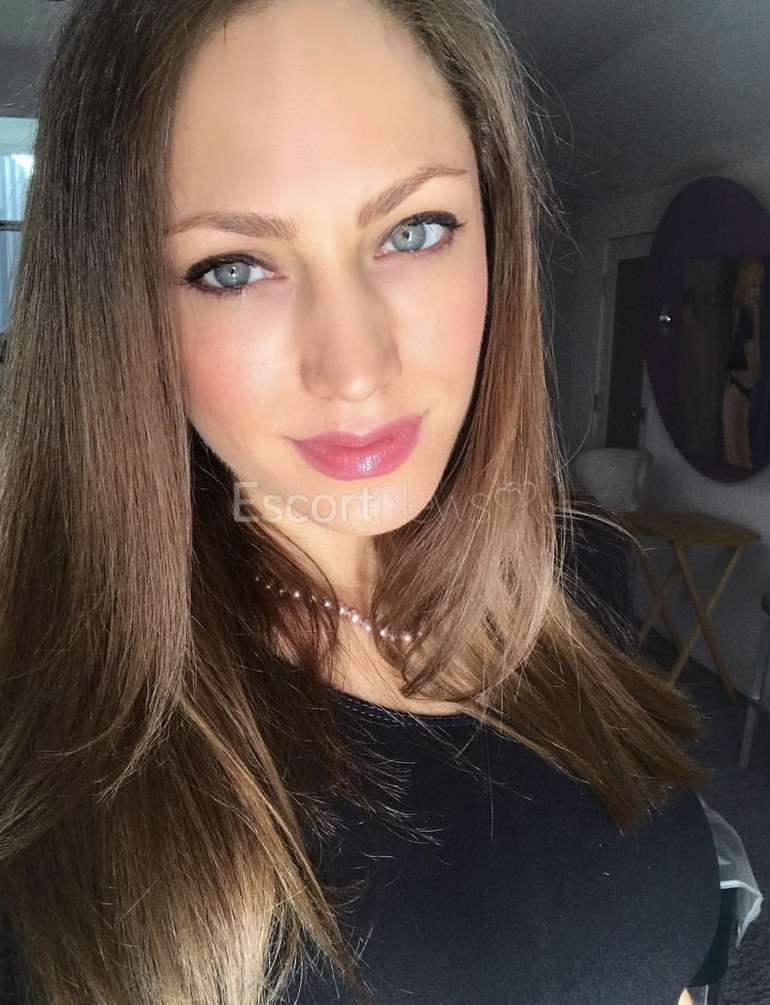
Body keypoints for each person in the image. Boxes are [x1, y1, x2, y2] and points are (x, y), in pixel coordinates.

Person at [0, 0, 720, 1003]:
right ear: (116, 311)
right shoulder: (61, 767)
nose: (353, 367)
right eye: (233, 267)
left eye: (413, 230)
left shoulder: (578, 567)